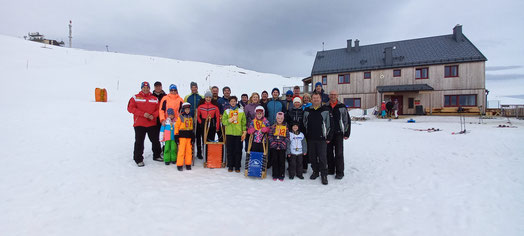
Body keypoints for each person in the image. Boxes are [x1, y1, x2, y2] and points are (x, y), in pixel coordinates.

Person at [127, 82, 162, 167]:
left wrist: (153, 115)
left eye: (147, 88)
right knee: (139, 141)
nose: (145, 89)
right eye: (144, 88)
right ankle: (138, 159)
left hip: (151, 123)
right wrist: (143, 114)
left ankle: (157, 155)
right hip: (139, 124)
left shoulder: (154, 98)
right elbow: (130, 108)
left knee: (155, 140)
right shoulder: (135, 97)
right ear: (141, 88)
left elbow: (159, 109)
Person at [303, 93, 333, 185]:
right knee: (312, 157)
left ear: (320, 99)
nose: (316, 100)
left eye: (317, 98)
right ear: (311, 100)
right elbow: (304, 123)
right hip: (311, 138)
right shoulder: (307, 110)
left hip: (322, 138)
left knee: (322, 157)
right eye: (314, 98)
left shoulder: (325, 110)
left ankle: (324, 174)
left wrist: (328, 136)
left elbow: (330, 124)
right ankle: (315, 171)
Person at [327, 90, 351, 179]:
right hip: (328, 133)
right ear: (329, 96)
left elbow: (347, 120)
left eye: (334, 95)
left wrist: (347, 133)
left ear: (337, 96)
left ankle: (340, 172)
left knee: (339, 153)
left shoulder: (342, 106)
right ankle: (330, 169)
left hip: (338, 133)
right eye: (331, 95)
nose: (333, 96)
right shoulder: (326, 106)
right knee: (328, 152)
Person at [221, 96, 247, 172]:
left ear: (236, 102)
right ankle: (230, 165)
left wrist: (244, 131)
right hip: (229, 133)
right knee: (230, 150)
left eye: (234, 101)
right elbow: (224, 122)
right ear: (229, 102)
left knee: (238, 150)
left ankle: (237, 166)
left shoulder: (241, 111)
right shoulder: (227, 111)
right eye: (231, 101)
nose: (233, 103)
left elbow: (243, 122)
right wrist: (230, 119)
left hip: (238, 134)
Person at [184, 82, 203, 159]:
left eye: (195, 87)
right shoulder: (187, 97)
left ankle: (199, 152)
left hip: (198, 119)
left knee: (198, 136)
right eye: (192, 87)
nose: (194, 89)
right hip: (189, 119)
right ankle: (190, 152)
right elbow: (184, 107)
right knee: (190, 136)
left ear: (197, 88)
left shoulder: (201, 97)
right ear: (190, 88)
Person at [269, 112, 289, 181]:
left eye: (281, 118)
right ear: (276, 119)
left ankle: (281, 174)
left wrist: (282, 144)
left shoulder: (285, 127)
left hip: (282, 147)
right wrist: (274, 143)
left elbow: (287, 137)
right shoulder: (273, 127)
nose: (279, 120)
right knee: (275, 160)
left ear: (283, 119)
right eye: (278, 118)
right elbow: (270, 136)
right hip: (274, 147)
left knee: (281, 161)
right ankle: (275, 174)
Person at [174, 103, 195, 171]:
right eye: (186, 109)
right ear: (183, 110)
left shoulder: (191, 118)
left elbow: (192, 128)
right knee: (181, 151)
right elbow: (176, 126)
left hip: (189, 136)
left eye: (188, 109)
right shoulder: (181, 117)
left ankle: (188, 164)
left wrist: (193, 136)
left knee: (189, 151)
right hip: (182, 136)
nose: (187, 110)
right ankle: (179, 164)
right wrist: (176, 135)